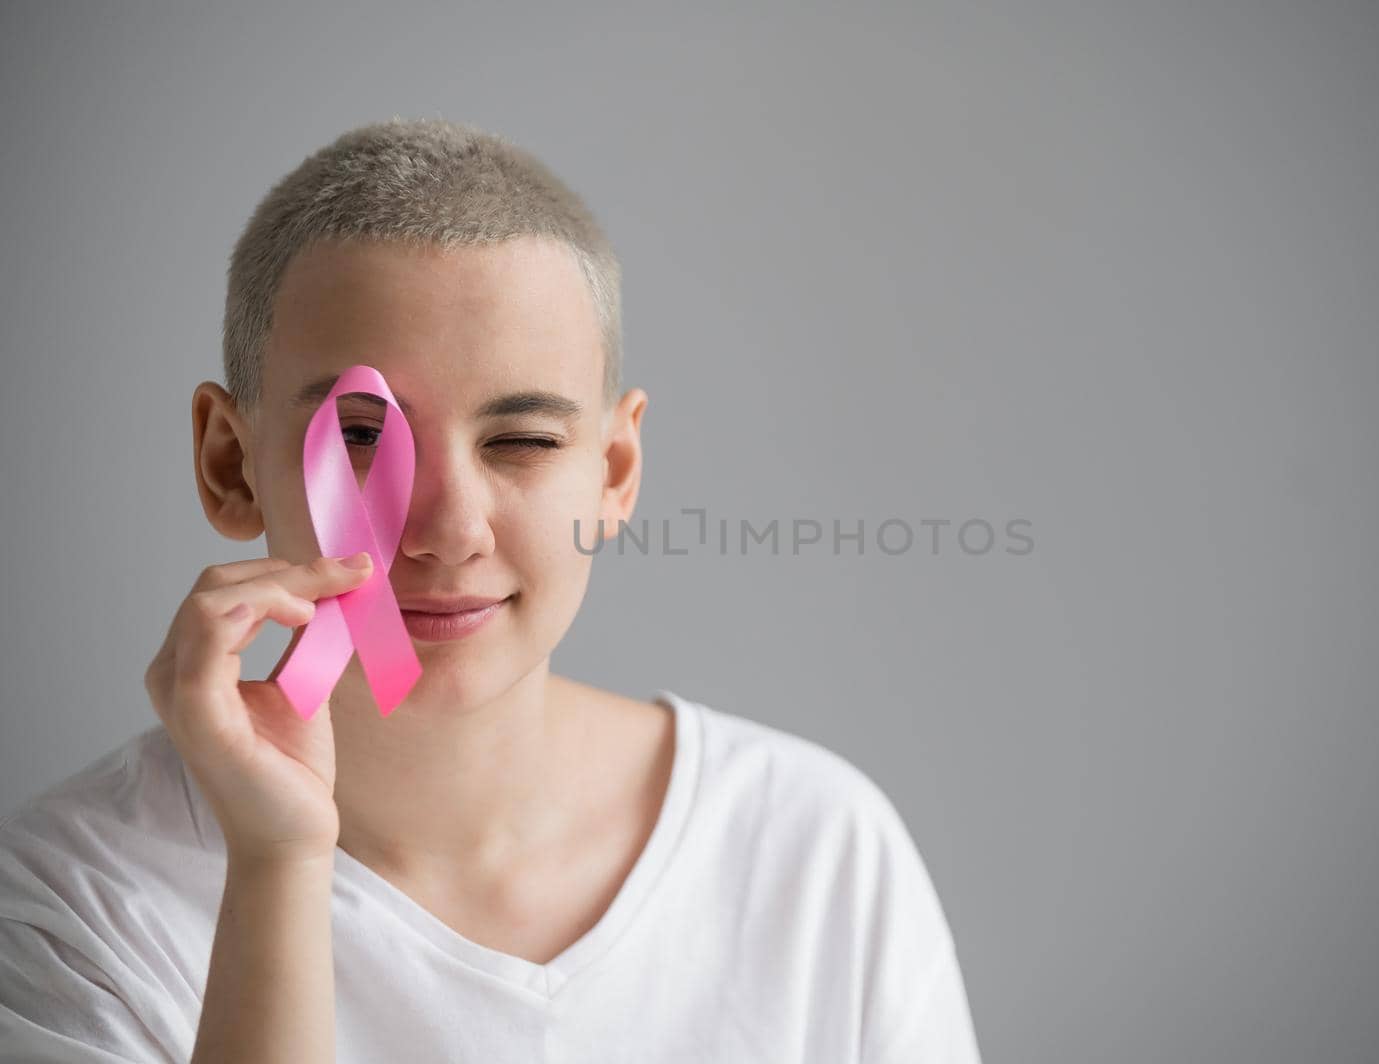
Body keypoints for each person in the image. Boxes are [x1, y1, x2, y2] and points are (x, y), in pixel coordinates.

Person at [0, 117, 983, 1063]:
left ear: (614, 470)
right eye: (361, 438)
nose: (447, 529)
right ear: (229, 461)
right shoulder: (72, 894)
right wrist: (277, 864)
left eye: (522, 442)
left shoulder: (813, 851)